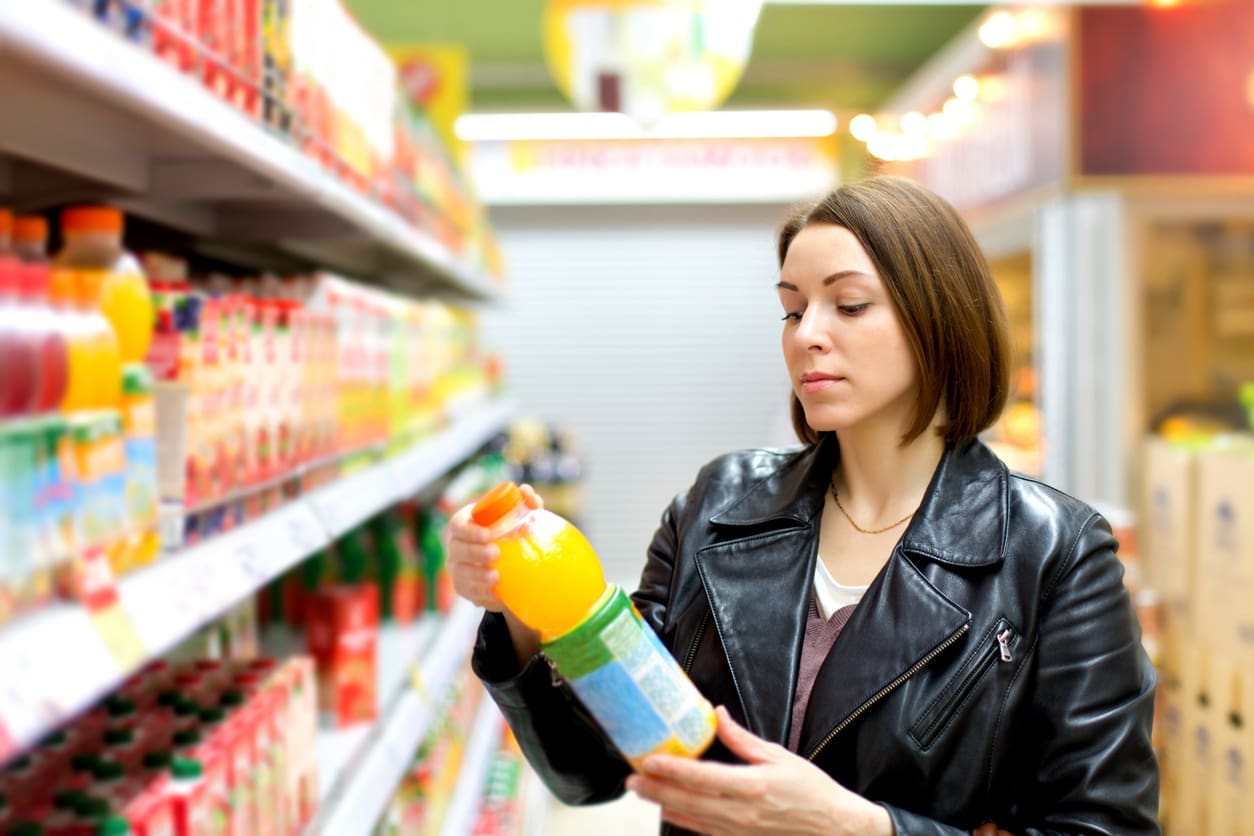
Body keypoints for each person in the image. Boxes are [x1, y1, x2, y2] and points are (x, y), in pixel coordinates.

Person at [448, 176, 1159, 835]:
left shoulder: (1054, 553)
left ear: (939, 316)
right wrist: (521, 599)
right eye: (792, 308)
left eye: (848, 304)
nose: (807, 334)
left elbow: (1102, 825)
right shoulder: (717, 506)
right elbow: (593, 769)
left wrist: (859, 827)